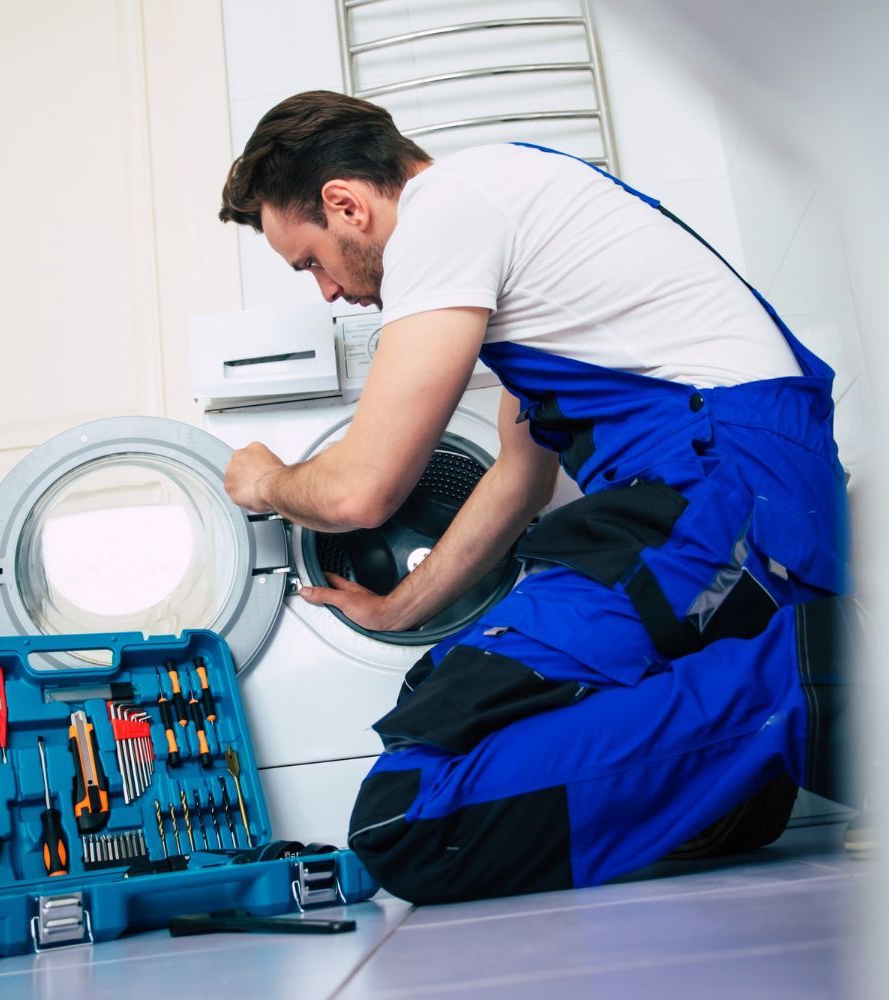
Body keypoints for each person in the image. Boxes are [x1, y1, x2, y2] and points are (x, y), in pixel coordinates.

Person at [218, 91, 855, 903]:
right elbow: (521, 476)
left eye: (310, 261)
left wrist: (266, 481)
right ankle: (757, 745)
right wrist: (402, 606)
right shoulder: (512, 216)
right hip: (729, 494)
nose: (328, 293)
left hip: (725, 496)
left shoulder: (444, 214)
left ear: (346, 204)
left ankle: (823, 674)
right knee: (439, 702)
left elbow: (361, 491)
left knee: (408, 818)